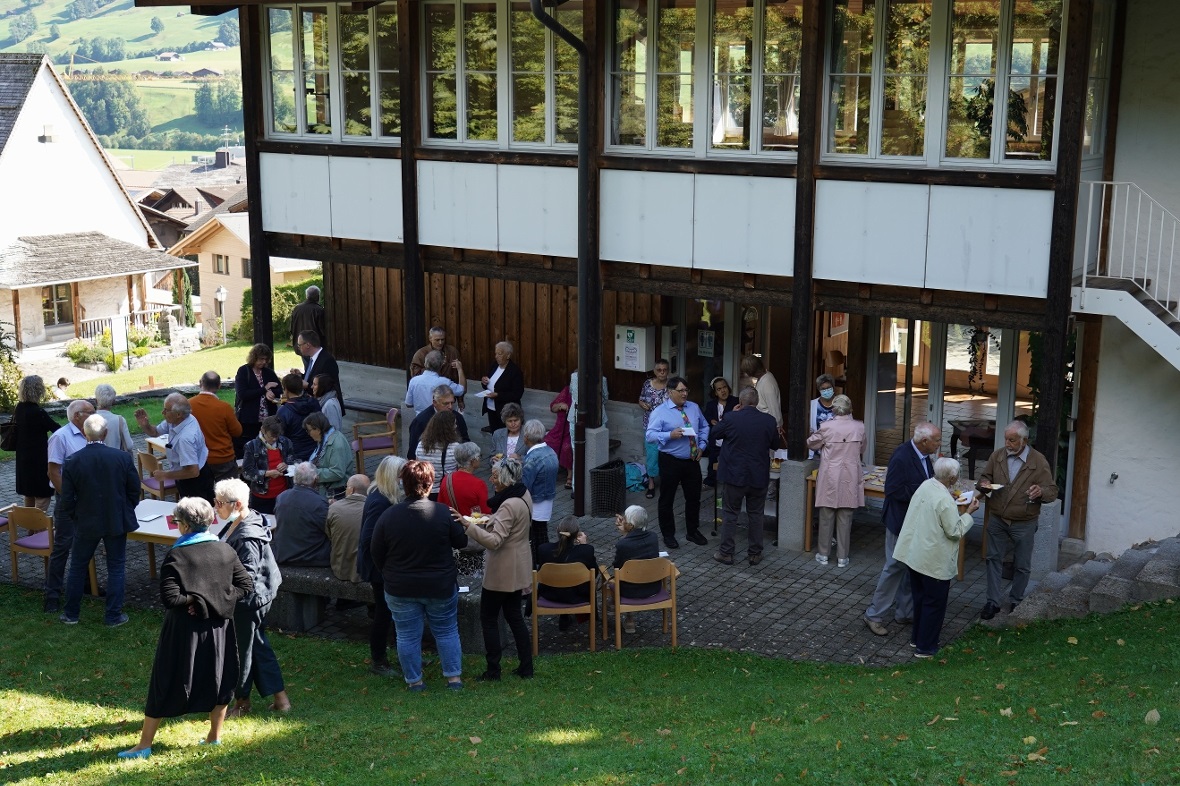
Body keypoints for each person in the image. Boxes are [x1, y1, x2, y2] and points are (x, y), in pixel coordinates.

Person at [118, 497, 252, 759]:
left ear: (185, 525)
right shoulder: (226, 550)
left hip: (184, 631)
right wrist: (213, 599)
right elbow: (245, 586)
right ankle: (214, 736)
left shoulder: (177, 555)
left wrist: (196, 599)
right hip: (218, 627)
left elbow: (171, 599)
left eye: (176, 521)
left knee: (165, 680)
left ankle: (144, 745)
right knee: (219, 678)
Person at [370, 461, 467, 692]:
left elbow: (375, 552)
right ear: (430, 483)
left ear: (403, 484)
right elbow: (461, 542)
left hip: (400, 586)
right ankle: (453, 679)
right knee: (446, 630)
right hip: (440, 585)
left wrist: (390, 573)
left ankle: (415, 681)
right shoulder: (443, 513)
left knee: (406, 635)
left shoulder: (388, 515)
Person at [214, 479, 291, 718]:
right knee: (257, 645)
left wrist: (222, 596)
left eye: (219, 503)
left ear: (237, 504)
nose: (215, 507)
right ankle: (282, 700)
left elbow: (246, 578)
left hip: (249, 600)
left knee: (242, 651)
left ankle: (242, 702)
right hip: (259, 593)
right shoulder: (245, 517)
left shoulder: (246, 536)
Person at [58, 414, 140, 627]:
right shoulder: (122, 458)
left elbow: (66, 499)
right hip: (115, 519)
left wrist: (76, 516)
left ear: (85, 433)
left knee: (77, 566)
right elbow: (134, 490)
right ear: (106, 433)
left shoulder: (72, 461)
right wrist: (125, 508)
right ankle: (113, 616)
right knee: (116, 567)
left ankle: (71, 614)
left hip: (86, 521)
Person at [893, 457, 980, 658]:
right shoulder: (945, 500)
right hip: (934, 560)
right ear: (952, 478)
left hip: (915, 555)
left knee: (920, 599)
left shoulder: (926, 485)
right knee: (934, 603)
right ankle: (926, 647)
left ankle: (917, 639)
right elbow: (954, 531)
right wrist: (969, 513)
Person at [457, 456, 534, 681]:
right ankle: (526, 667)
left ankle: (493, 670)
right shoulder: (523, 494)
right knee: (514, 617)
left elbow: (494, 541)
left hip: (502, 570)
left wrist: (468, 526)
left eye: (495, 476)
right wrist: (491, 518)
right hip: (517, 565)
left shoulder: (509, 504)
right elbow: (509, 525)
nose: (492, 480)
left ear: (506, 479)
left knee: (489, 618)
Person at [976, 420, 1059, 620]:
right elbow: (983, 478)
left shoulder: (1038, 461)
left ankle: (1016, 599)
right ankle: (992, 602)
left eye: (1012, 440)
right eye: (1006, 439)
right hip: (997, 517)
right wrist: (984, 483)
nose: (1007, 443)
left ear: (1024, 440)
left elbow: (1052, 491)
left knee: (1022, 564)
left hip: (1024, 521)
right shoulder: (997, 456)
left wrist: (1041, 491)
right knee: (993, 560)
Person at [864, 422, 941, 636]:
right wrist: (924, 492)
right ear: (924, 441)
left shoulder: (925, 457)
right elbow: (894, 490)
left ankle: (904, 613)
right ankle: (874, 615)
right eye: (936, 440)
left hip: (916, 522)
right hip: (900, 522)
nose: (939, 443)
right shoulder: (902, 456)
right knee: (894, 567)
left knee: (911, 567)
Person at [710, 387, 779, 567]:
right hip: (758, 475)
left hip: (734, 475)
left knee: (730, 514)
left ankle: (726, 553)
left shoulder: (732, 418)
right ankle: (755, 554)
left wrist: (729, 415)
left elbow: (714, 433)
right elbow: (775, 444)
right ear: (756, 402)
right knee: (756, 514)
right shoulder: (769, 421)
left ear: (740, 403)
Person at [645, 376, 710, 549]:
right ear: (670, 392)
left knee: (694, 497)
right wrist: (669, 435)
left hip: (691, 460)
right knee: (667, 498)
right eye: (680, 391)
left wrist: (702, 446)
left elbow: (704, 427)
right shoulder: (660, 411)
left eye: (686, 390)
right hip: (670, 460)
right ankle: (668, 534)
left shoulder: (694, 408)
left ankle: (692, 531)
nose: (684, 394)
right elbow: (650, 435)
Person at [43, 398, 96, 613]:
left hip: (88, 499)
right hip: (68, 500)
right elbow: (53, 472)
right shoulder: (60, 437)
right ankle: (52, 594)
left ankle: (86, 586)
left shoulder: (92, 435)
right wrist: (69, 498)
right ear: (77, 416)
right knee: (63, 546)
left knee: (86, 543)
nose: (94, 415)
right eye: (90, 412)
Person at [805, 394, 866, 567]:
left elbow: (811, 443)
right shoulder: (859, 427)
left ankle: (823, 554)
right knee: (845, 517)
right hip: (850, 475)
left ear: (833, 409)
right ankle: (842, 557)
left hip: (830, 475)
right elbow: (863, 447)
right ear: (850, 409)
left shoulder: (826, 427)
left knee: (826, 515)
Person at [358, 456, 405, 676]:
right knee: (384, 613)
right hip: (380, 569)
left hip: (383, 566)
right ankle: (379, 660)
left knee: (393, 611)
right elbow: (369, 539)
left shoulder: (382, 495)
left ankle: (402, 653)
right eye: (401, 475)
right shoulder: (380, 501)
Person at [135, 393, 213, 503]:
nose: (163, 413)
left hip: (194, 482)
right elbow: (155, 432)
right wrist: (145, 425)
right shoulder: (177, 420)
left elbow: (193, 472)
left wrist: (165, 475)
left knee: (197, 515)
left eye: (166, 410)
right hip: (185, 475)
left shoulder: (185, 439)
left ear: (178, 414)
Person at [537, 516, 597, 631]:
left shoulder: (543, 549)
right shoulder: (586, 551)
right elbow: (594, 574)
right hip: (576, 596)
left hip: (550, 595)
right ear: (576, 535)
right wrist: (584, 545)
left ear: (557, 530)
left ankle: (564, 617)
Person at [12, 375, 60, 512]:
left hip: (23, 457)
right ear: (38, 390)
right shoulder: (38, 412)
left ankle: (30, 528)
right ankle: (37, 527)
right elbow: (55, 428)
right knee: (42, 495)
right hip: (38, 458)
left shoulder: (19, 408)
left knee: (29, 493)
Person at [611, 505, 660, 634]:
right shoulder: (654, 537)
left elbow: (617, 567)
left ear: (630, 525)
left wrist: (625, 535)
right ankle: (615, 606)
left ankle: (628, 617)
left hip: (630, 591)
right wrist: (627, 532)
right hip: (653, 587)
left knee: (615, 580)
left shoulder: (623, 544)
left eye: (625, 519)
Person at [272, 462, 331, 566]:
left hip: (283, 554)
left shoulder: (281, 497)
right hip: (311, 557)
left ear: (294, 478)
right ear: (315, 479)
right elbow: (330, 531)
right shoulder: (319, 503)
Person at [190, 371, 243, 484]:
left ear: (200, 383)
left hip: (198, 459)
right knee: (228, 497)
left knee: (203, 497)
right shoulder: (224, 407)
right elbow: (237, 432)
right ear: (219, 385)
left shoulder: (188, 405)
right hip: (223, 458)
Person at [521, 419, 558, 566]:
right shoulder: (551, 452)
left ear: (526, 438)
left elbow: (525, 485)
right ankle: (545, 565)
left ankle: (538, 566)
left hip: (534, 501)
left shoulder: (533, 458)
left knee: (534, 537)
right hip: (548, 499)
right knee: (542, 533)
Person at [240, 416, 296, 514]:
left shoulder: (286, 442)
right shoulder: (252, 446)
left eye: (277, 436)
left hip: (283, 494)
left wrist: (286, 464)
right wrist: (266, 473)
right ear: (263, 430)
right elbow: (246, 472)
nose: (274, 439)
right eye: (271, 436)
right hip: (261, 497)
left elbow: (292, 460)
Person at [234, 343, 282, 450]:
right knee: (250, 447)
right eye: (261, 359)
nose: (264, 362)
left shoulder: (268, 372)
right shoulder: (243, 371)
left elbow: (279, 389)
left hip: (268, 418)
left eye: (266, 359)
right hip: (249, 420)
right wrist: (264, 389)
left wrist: (272, 392)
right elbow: (242, 394)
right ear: (254, 358)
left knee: (268, 447)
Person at [326, 474, 370, 583]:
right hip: (366, 570)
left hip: (340, 568)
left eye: (347, 487)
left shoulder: (334, 508)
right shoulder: (373, 509)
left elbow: (329, 535)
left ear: (351, 489)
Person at [407, 385, 471, 458]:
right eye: (446, 403)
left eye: (452, 403)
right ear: (435, 403)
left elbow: (466, 441)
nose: (450, 406)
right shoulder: (421, 421)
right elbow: (412, 452)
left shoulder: (458, 418)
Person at [637, 359, 671, 498]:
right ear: (655, 371)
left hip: (668, 426)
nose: (662, 372)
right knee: (652, 454)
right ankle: (651, 483)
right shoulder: (647, 384)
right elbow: (641, 399)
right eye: (659, 370)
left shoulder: (672, 385)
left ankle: (666, 483)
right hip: (650, 425)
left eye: (665, 370)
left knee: (667, 455)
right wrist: (642, 404)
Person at [293, 330, 345, 415]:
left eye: (299, 345)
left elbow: (329, 386)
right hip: (315, 407)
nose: (298, 347)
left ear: (308, 345)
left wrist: (308, 386)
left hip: (326, 408)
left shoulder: (327, 360)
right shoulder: (311, 359)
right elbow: (313, 378)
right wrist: (301, 376)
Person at [414, 409, 461, 499]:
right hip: (445, 491)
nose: (456, 426)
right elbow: (458, 471)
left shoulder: (421, 445)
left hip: (425, 491)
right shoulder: (455, 448)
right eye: (454, 424)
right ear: (449, 428)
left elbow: (418, 466)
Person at [304, 411, 351, 500]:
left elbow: (337, 472)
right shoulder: (325, 439)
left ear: (317, 429)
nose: (308, 434)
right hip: (325, 490)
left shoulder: (336, 444)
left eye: (309, 430)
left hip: (333, 494)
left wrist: (312, 473)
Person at [479, 341, 524, 433]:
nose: (496, 356)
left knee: (506, 434)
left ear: (508, 355)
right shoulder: (494, 365)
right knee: (495, 434)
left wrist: (498, 395)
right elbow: (488, 383)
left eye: (499, 354)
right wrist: (484, 381)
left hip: (506, 411)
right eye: (495, 353)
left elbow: (517, 394)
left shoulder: (515, 371)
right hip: (491, 408)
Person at [703, 375, 739, 487]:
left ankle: (732, 481)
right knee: (713, 460)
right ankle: (711, 481)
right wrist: (711, 420)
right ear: (715, 393)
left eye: (724, 387)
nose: (723, 391)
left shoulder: (735, 401)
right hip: (717, 439)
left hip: (730, 438)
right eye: (719, 389)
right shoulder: (711, 405)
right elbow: (707, 417)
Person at [277, 372, 321, 461]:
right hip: (315, 451)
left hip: (294, 454)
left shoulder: (284, 411)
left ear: (286, 390)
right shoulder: (314, 402)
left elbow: (280, 436)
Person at [739, 355, 782, 430]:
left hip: (767, 426)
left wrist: (777, 426)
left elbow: (774, 409)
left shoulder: (767, 383)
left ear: (751, 372)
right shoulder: (763, 378)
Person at [543, 384, 573, 483]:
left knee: (566, 447)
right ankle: (547, 471)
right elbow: (553, 407)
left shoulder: (584, 394)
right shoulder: (567, 390)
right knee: (545, 442)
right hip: (559, 429)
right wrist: (560, 405)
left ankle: (570, 474)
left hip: (572, 430)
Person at [94, 383, 134, 454]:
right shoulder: (120, 420)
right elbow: (129, 446)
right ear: (113, 402)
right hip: (116, 460)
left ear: (96, 400)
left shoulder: (89, 420)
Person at [290, 284, 327, 358]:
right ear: (318, 297)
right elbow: (323, 331)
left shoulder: (297, 309)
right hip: (315, 347)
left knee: (308, 368)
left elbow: (291, 329)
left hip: (301, 346)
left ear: (306, 296)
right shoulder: (319, 310)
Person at [807, 373, 838, 459]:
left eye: (828, 388)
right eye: (823, 389)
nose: (826, 391)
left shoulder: (841, 404)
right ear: (818, 389)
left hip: (836, 453)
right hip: (816, 452)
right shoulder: (812, 405)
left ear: (833, 387)